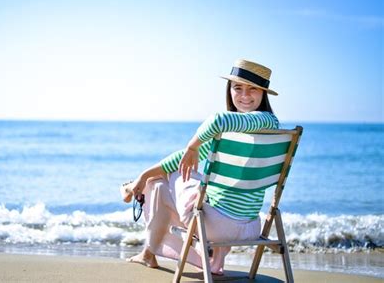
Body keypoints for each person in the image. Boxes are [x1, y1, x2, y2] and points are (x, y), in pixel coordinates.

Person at [120, 59, 280, 275]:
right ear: (229, 90)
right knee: (158, 183)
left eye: (253, 89)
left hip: (216, 227)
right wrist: (145, 175)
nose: (244, 95)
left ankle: (139, 203)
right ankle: (150, 251)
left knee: (172, 175)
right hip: (250, 227)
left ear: (264, 93)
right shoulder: (262, 129)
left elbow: (217, 119)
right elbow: (187, 157)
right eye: (238, 88)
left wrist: (191, 146)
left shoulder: (264, 120)